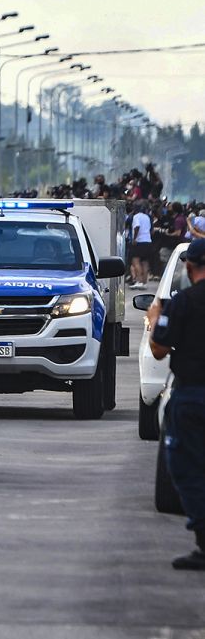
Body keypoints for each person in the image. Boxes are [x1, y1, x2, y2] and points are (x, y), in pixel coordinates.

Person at [146, 238, 205, 571]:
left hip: (193, 396)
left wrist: (156, 317)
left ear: (188, 267)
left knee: (187, 469)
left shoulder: (183, 303)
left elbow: (158, 349)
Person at [131, 204, 153, 289]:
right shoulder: (147, 217)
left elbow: (137, 226)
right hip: (147, 241)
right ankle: (144, 282)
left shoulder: (136, 217)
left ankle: (139, 281)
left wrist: (134, 238)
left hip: (139, 241)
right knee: (145, 262)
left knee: (135, 261)